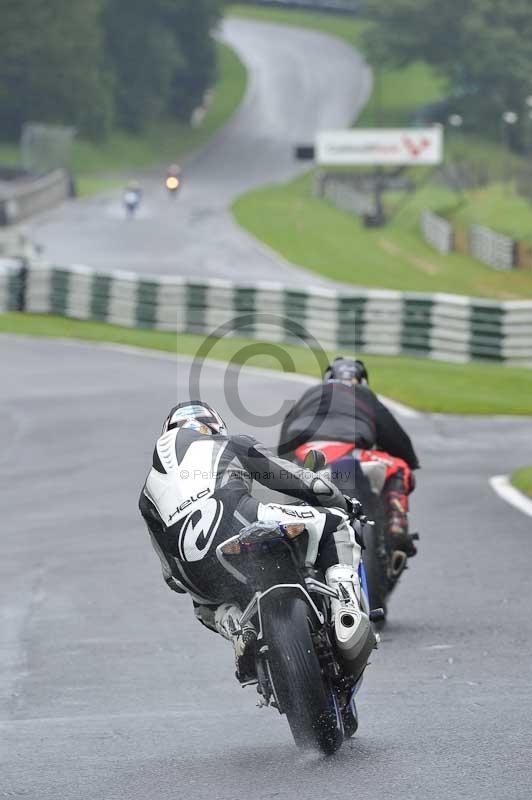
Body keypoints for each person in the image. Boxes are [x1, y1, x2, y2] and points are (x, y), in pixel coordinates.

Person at [139, 401, 376, 681]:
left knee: (203, 607)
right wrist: (343, 503)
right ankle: (346, 610)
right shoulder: (230, 444)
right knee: (335, 523)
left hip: (197, 573)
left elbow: (171, 579)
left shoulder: (146, 497)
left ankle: (238, 628)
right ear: (214, 427)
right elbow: (308, 484)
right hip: (241, 519)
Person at [278, 357, 420, 559]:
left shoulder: (311, 393)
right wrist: (410, 460)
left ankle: (296, 527)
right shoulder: (364, 394)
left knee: (290, 478)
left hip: (309, 453)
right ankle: (397, 526)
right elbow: (394, 435)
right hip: (350, 449)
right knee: (398, 467)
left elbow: (284, 442)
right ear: (362, 381)